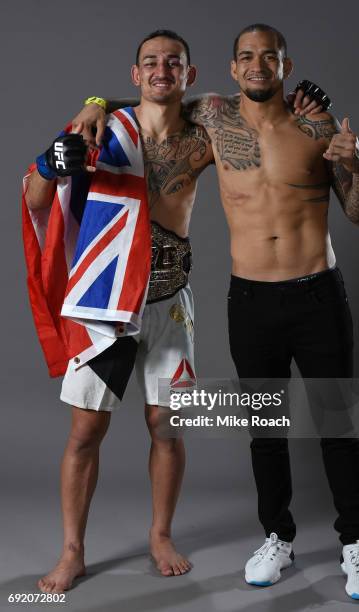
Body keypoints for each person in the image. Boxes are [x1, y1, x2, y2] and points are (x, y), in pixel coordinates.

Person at [25, 29, 322, 594]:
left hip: (170, 300)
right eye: (150, 63)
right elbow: (37, 199)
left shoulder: (206, 131)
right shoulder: (100, 131)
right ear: (135, 75)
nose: (162, 70)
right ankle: (72, 550)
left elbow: (262, 110)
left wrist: (304, 101)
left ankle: (161, 534)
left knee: (167, 425)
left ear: (189, 75)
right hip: (106, 302)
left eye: (174, 63)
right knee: (86, 431)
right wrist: (50, 160)